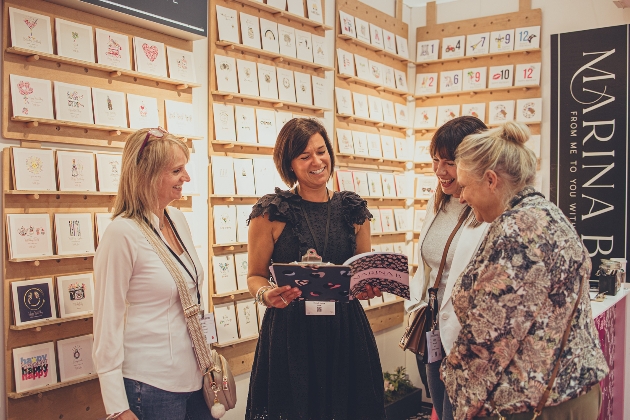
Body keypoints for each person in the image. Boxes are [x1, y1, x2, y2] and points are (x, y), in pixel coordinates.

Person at [443, 121, 608, 420]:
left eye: (465, 186)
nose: (461, 197)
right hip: (569, 391)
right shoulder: (548, 214)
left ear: (491, 180)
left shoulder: (515, 231)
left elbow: (490, 337)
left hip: (531, 403)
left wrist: (455, 384)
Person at [245, 118, 385, 420]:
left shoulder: (353, 209)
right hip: (290, 332)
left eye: (321, 152)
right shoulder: (272, 212)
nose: (317, 161)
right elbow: (254, 275)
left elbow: (362, 271)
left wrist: (367, 287)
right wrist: (265, 294)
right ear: (289, 164)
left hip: (345, 330)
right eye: (305, 156)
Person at [93, 128, 213, 420]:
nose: (186, 177)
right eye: (177, 170)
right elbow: (106, 322)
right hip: (149, 385)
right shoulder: (121, 233)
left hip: (195, 376)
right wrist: (117, 407)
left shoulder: (177, 219)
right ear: (146, 175)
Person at [406, 116, 490, 420]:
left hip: (468, 335)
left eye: (449, 161)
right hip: (433, 325)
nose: (440, 170)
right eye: (435, 160)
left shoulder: (487, 206)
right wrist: (415, 303)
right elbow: (427, 263)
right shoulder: (438, 200)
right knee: (441, 408)